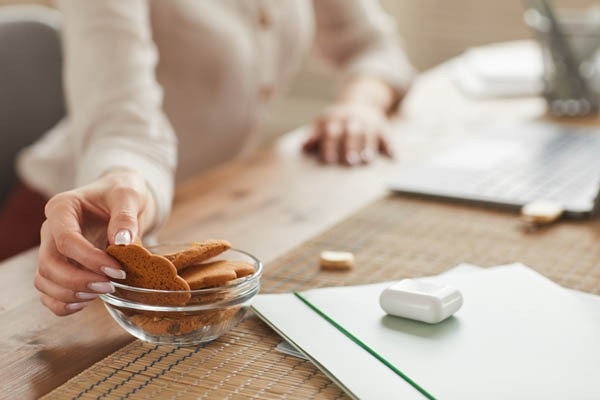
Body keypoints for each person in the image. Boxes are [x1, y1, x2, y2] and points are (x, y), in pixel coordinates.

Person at [1, 1, 415, 316]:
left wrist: (359, 104)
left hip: (217, 206)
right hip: (80, 233)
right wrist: (127, 184)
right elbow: (123, 124)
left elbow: (374, 47)